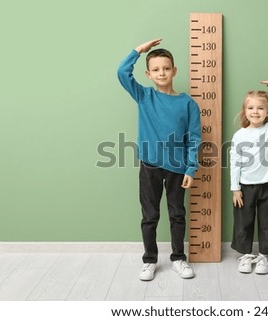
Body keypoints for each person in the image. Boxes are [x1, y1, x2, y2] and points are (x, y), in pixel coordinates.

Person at [117, 39, 201, 281]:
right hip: (149, 166)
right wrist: (138, 50)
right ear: (148, 74)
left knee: (177, 214)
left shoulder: (188, 103)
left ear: (174, 70)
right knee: (150, 216)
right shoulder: (144, 96)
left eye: (166, 68)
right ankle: (150, 260)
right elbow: (122, 72)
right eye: (155, 69)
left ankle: (178, 258)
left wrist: (191, 168)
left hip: (178, 168)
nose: (161, 73)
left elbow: (194, 138)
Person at [230, 79, 268, 274]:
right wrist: (235, 188)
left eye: (260, 108)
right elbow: (235, 163)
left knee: (267, 222)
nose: (255, 111)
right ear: (244, 110)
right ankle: (246, 255)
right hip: (245, 186)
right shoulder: (239, 135)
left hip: (267, 185)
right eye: (251, 107)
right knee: (243, 222)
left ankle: (263, 256)